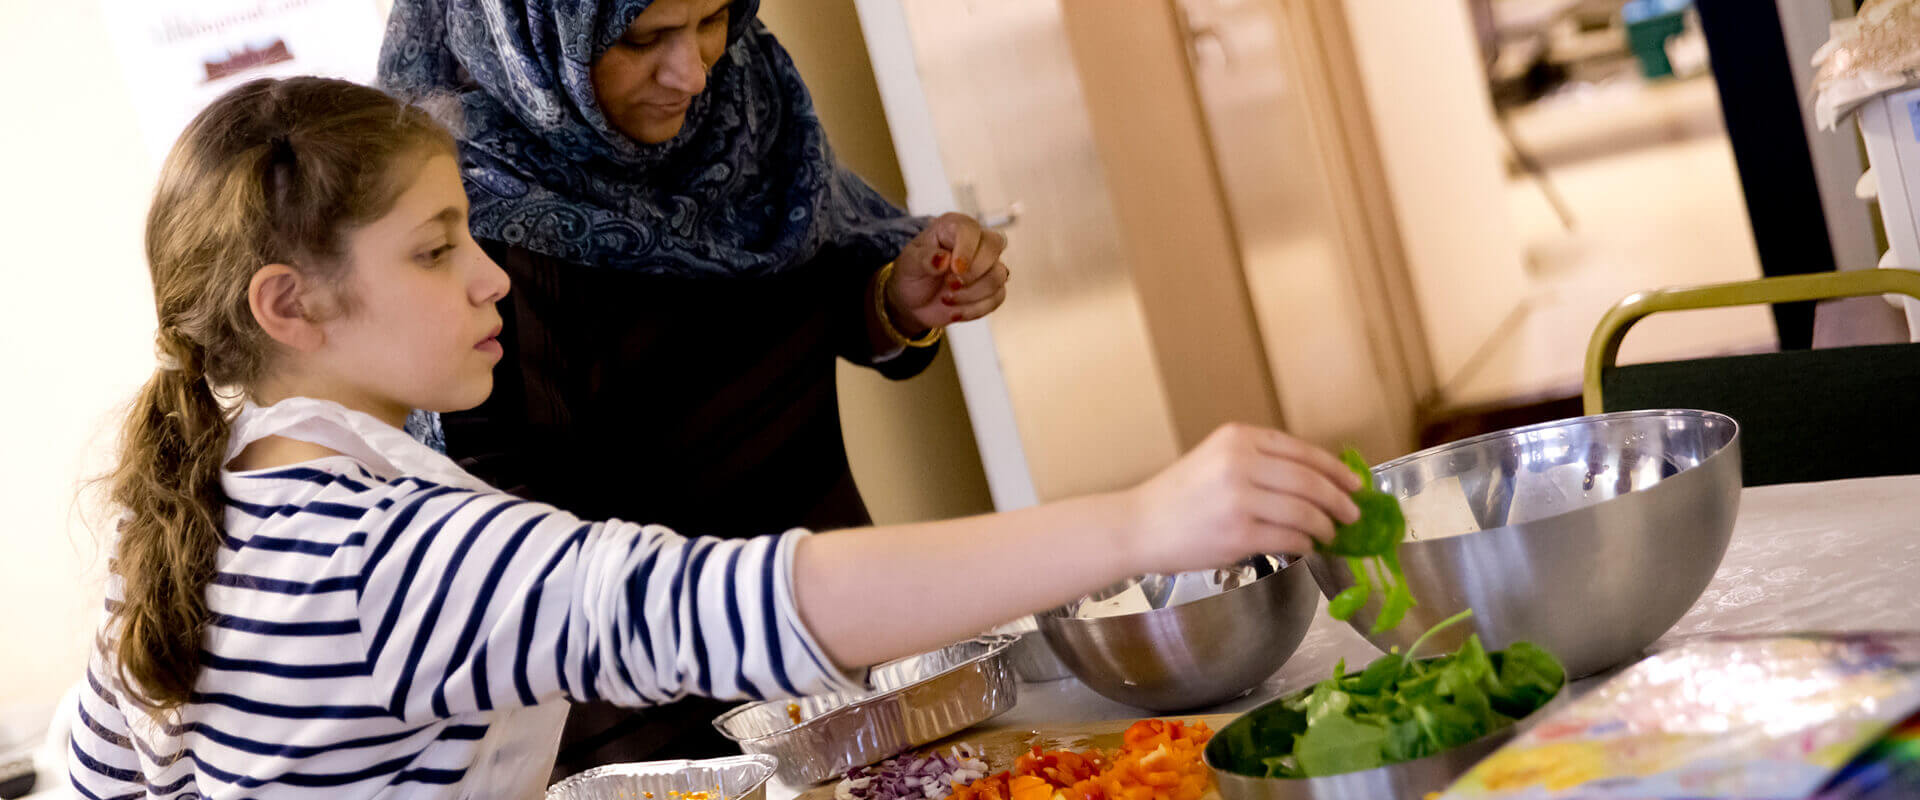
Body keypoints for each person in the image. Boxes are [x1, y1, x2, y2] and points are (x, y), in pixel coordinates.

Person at [69, 77, 1360, 798]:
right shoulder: (380, 555)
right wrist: (1139, 526)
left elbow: (97, 782)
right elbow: (720, 601)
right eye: (434, 250)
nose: (491, 279)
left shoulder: (197, 509)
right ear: (289, 307)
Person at [375, 0, 1013, 766]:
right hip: (654, 719)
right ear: (529, 32)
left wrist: (897, 299)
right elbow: (514, 545)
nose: (691, 72)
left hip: (843, 626)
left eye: (711, 18)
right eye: (642, 39)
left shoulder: (751, 101)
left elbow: (820, 292)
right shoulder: (463, 211)